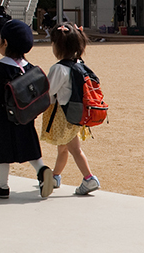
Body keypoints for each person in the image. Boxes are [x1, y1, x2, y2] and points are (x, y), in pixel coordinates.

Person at [0, 19, 56, 199]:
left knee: (1, 153)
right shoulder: (30, 68)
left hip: (2, 118)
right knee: (29, 147)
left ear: (6, 43)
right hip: (24, 117)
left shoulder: (0, 67)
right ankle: (42, 171)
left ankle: (2, 186)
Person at [40, 24, 101, 196]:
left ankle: (89, 178)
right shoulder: (79, 64)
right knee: (63, 148)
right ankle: (55, 176)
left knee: (74, 148)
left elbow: (49, 91)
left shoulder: (59, 68)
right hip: (76, 112)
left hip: (63, 115)